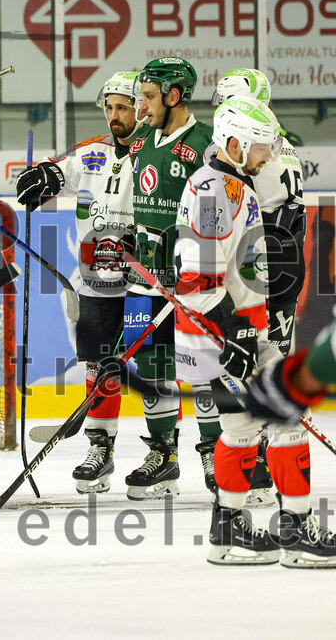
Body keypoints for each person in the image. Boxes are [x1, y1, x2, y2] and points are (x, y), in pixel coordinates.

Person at [174, 95, 336, 567]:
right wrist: (235, 334)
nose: (268, 156)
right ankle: (297, 532)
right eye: (261, 147)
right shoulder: (214, 191)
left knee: (240, 430)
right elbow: (196, 277)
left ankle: (227, 531)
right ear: (233, 144)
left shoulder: (231, 185)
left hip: (229, 331)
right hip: (225, 334)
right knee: (284, 419)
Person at [16, 71, 141, 494]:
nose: (114, 115)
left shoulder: (155, 154)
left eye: (123, 106)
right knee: (97, 364)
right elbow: (57, 170)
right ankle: (100, 449)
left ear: (142, 106)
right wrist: (41, 177)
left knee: (161, 367)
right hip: (96, 281)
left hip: (145, 281)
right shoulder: (92, 153)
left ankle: (171, 453)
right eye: (109, 107)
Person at [125, 57, 220, 500]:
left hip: (192, 281)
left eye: (147, 97)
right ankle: (164, 455)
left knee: (199, 367)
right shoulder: (141, 137)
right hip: (147, 278)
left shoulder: (207, 143)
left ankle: (216, 455)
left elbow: (226, 208)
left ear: (174, 96)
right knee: (153, 367)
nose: (139, 106)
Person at [212, 67, 306, 507]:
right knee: (273, 364)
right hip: (285, 268)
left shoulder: (243, 158)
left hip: (260, 272)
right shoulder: (284, 148)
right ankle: (263, 461)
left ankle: (256, 469)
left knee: (252, 372)